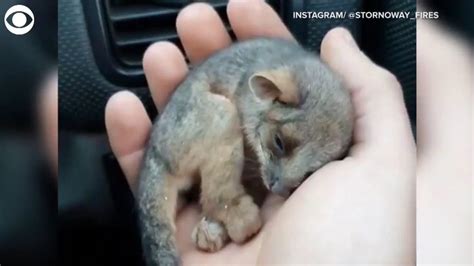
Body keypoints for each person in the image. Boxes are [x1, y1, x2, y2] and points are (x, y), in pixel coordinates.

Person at [104, 1, 416, 264]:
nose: (282, 184)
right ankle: (223, 206)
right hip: (188, 128)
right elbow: (246, 100)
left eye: (307, 173)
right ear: (272, 92)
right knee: (222, 118)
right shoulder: (273, 88)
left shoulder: (308, 127)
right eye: (282, 145)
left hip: (211, 155)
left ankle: (216, 220)